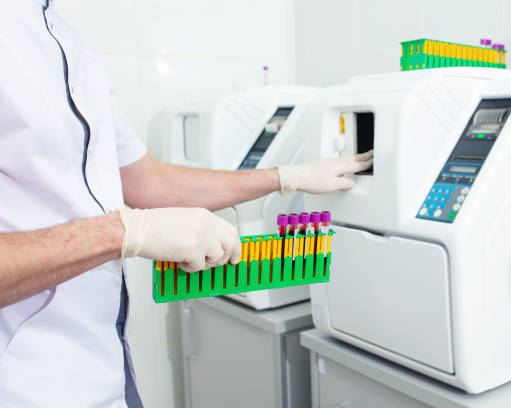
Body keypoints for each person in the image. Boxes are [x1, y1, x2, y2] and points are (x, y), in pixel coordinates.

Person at [0, 0, 373, 406]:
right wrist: (126, 232)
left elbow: (149, 181)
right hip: (23, 381)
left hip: (102, 356)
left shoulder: (68, 42)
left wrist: (284, 177)